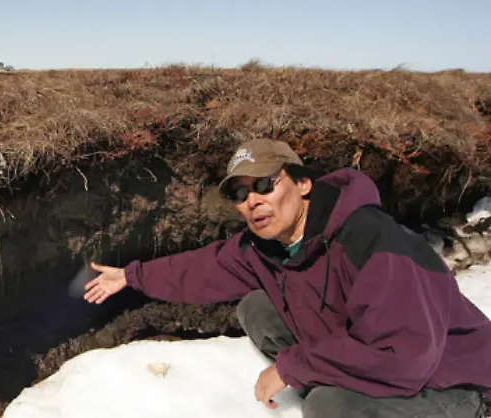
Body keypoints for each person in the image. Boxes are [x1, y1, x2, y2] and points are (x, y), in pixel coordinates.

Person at [83, 138, 491, 418]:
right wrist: (132, 275)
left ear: (302, 183)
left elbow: (405, 357)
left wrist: (295, 367)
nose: (253, 200)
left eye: (264, 184)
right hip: (376, 347)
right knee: (256, 309)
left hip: (452, 378)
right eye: (240, 195)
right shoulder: (267, 243)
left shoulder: (375, 240)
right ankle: (340, 376)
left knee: (329, 408)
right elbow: (203, 267)